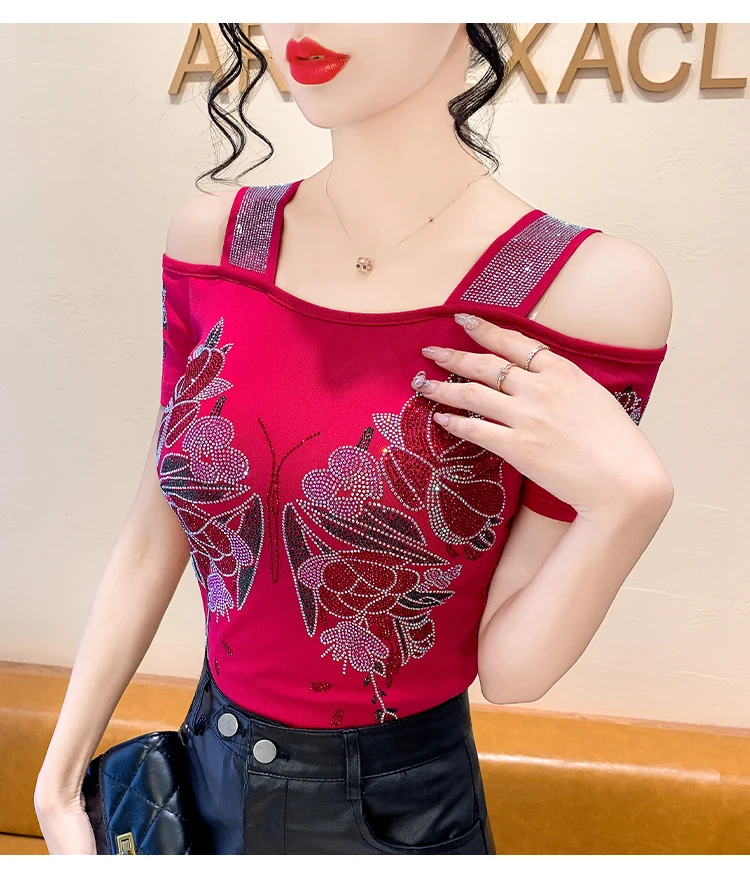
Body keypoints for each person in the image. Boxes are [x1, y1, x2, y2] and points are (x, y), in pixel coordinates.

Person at [34, 23, 674, 855]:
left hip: (396, 817)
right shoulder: (214, 245)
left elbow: (512, 671)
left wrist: (629, 507)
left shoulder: (585, 292)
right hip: (201, 780)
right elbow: (159, 525)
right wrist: (59, 782)